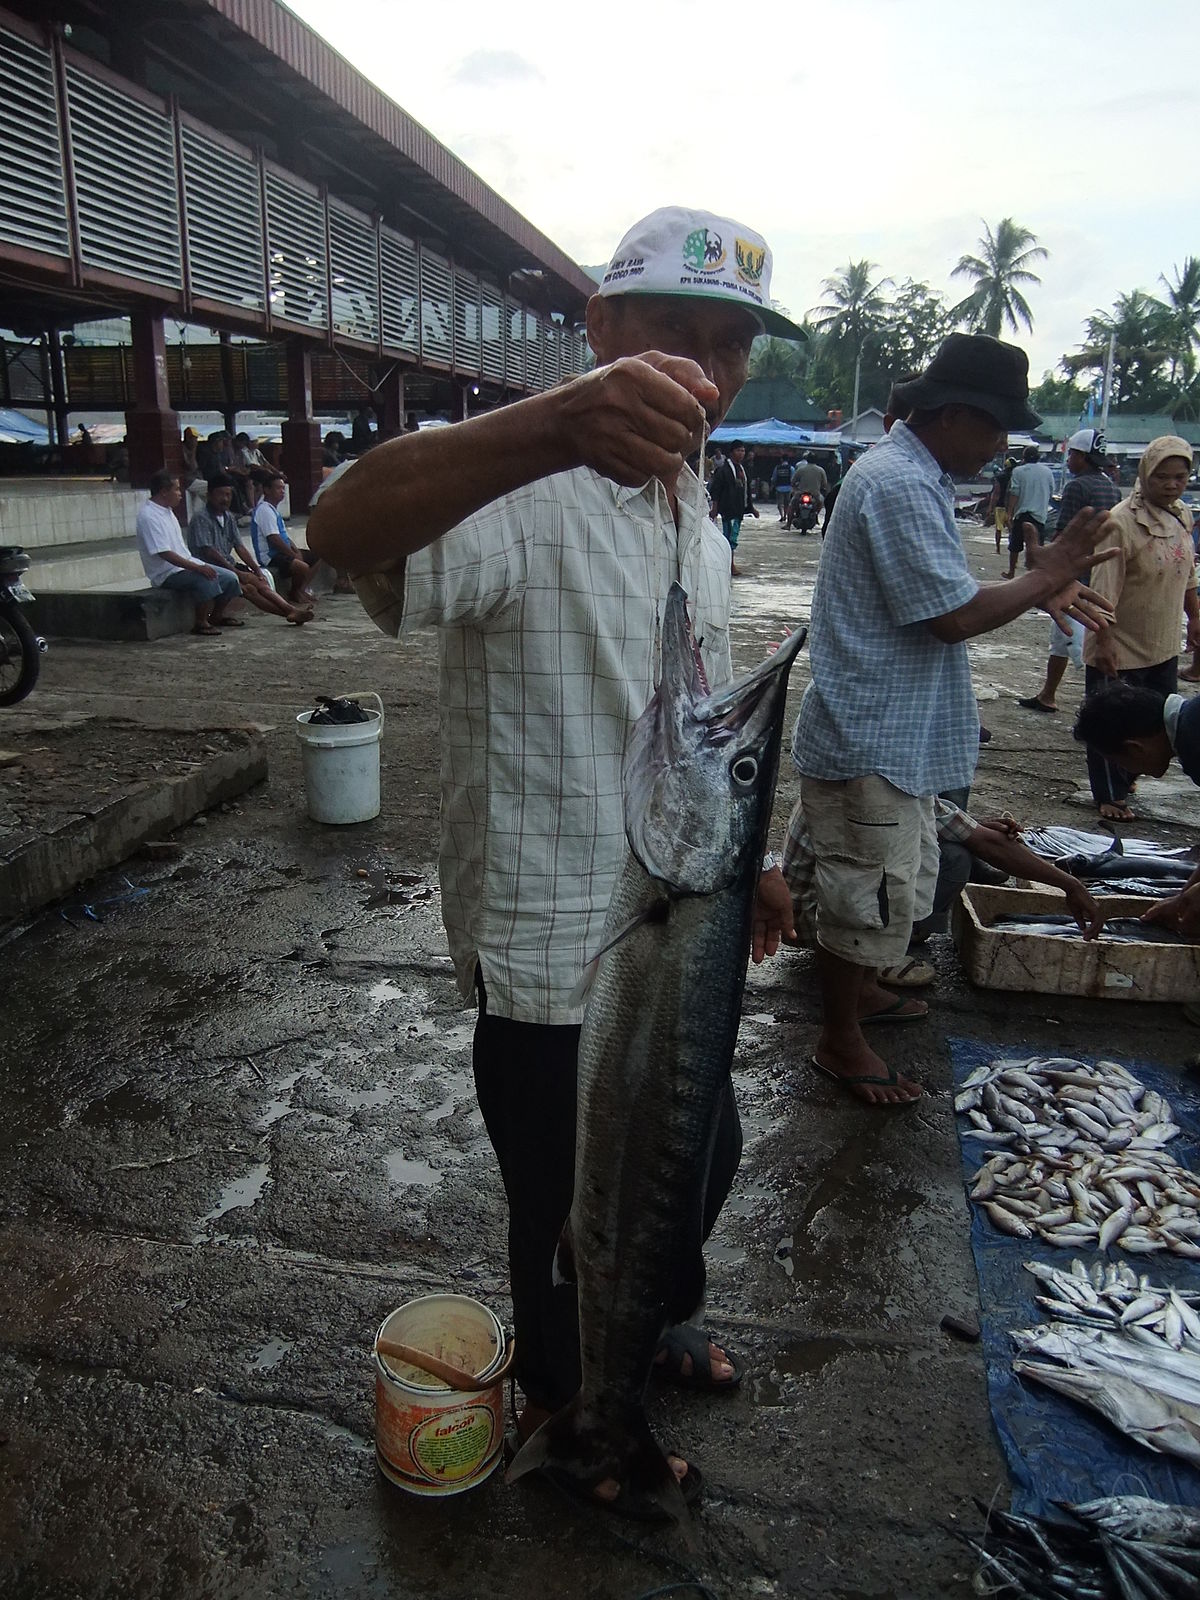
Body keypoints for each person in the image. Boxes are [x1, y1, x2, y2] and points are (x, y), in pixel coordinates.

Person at [306, 204, 806, 1509]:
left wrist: (746, 855)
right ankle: (582, 1409)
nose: (706, 368)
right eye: (674, 335)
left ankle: (656, 1317)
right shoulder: (522, 496)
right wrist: (549, 424)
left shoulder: (695, 504)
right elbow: (341, 531)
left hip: (669, 914)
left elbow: (687, 713)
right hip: (550, 946)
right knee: (563, 1203)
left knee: (709, 1152)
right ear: (600, 329)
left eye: (732, 344)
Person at [790, 333, 1117, 1107]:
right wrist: (1043, 577)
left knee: (885, 888)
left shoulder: (917, 476)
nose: (1003, 446)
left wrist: (1042, 585)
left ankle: (861, 996)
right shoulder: (900, 482)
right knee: (860, 897)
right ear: (959, 414)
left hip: (891, 734)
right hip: (871, 734)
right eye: (998, 428)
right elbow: (953, 615)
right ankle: (840, 1040)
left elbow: (942, 594)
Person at [782, 795, 1103, 1008]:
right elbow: (991, 845)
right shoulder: (885, 787)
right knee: (953, 857)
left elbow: (968, 830)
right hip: (821, 923)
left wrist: (971, 823)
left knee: (951, 845)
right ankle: (868, 971)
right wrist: (1068, 884)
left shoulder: (873, 772)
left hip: (812, 911)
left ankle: (868, 966)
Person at [1076, 436, 1198, 821]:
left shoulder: (1182, 515)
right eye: (1163, 477)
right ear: (1146, 475)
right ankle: (1109, 794)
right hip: (1119, 641)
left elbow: (1188, 572)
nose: (1172, 484)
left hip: (1161, 639)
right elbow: (1102, 590)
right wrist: (1104, 642)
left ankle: (1131, 776)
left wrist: (1195, 616)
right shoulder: (1121, 522)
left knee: (1161, 724)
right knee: (1111, 722)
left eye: (1180, 477)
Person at [1073, 682, 1200, 937]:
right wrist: (1185, 895)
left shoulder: (1195, 742)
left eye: (1120, 762)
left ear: (1134, 747)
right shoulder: (1191, 720)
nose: (1129, 771)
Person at [1017, 428, 1122, 717]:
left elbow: (1065, 535)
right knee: (1060, 641)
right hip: (1101, 569)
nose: (1069, 460)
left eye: (1072, 454)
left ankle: (1106, 708)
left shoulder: (1077, 487)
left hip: (1075, 577)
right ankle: (1047, 694)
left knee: (1078, 644)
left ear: (1082, 457)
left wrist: (1052, 573)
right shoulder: (1110, 485)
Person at [187, 473, 313, 626]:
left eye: (228, 495)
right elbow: (209, 552)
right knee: (249, 589)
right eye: (221, 494)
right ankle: (289, 612)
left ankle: (290, 610)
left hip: (228, 564)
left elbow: (240, 547)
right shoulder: (201, 518)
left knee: (260, 583)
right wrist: (237, 572)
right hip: (209, 567)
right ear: (209, 495)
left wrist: (256, 570)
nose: (225, 499)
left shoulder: (228, 517)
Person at [135, 468, 242, 637]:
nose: (180, 494)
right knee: (206, 579)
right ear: (163, 491)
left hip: (184, 564)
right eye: (176, 489)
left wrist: (197, 566)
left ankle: (216, 615)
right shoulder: (149, 516)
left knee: (230, 578)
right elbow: (165, 554)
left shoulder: (167, 512)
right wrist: (198, 568)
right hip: (166, 572)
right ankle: (200, 622)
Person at [250, 472, 316, 605]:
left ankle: (302, 590)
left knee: (317, 556)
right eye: (278, 488)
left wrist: (295, 550)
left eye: (283, 488)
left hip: (282, 552)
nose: (282, 491)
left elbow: (284, 536)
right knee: (302, 567)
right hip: (271, 556)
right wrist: (292, 554)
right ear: (267, 490)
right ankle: (294, 592)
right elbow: (274, 539)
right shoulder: (264, 510)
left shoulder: (274, 509)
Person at [1004, 444, 1056, 580]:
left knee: (1015, 545)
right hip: (1039, 515)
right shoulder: (1047, 472)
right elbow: (1051, 491)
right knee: (1036, 546)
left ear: (1023, 458)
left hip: (1022, 514)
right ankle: (1034, 573)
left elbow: (1014, 493)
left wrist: (1009, 513)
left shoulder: (1018, 471)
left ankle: (1011, 572)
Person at [709, 439, 758, 575]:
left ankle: (728, 563)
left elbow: (746, 491)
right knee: (729, 537)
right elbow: (716, 490)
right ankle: (729, 565)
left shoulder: (743, 470)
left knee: (733, 537)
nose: (741, 453)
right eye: (738, 450)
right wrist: (715, 508)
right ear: (731, 453)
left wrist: (751, 508)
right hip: (727, 508)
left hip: (739, 509)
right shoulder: (723, 470)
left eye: (743, 450)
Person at [989, 453, 1016, 553]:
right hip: (1012, 506)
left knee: (999, 528)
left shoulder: (1000, 477)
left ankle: (998, 549)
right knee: (1011, 528)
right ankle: (1013, 549)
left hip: (1000, 506)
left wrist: (991, 507)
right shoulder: (1015, 476)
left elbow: (996, 493)